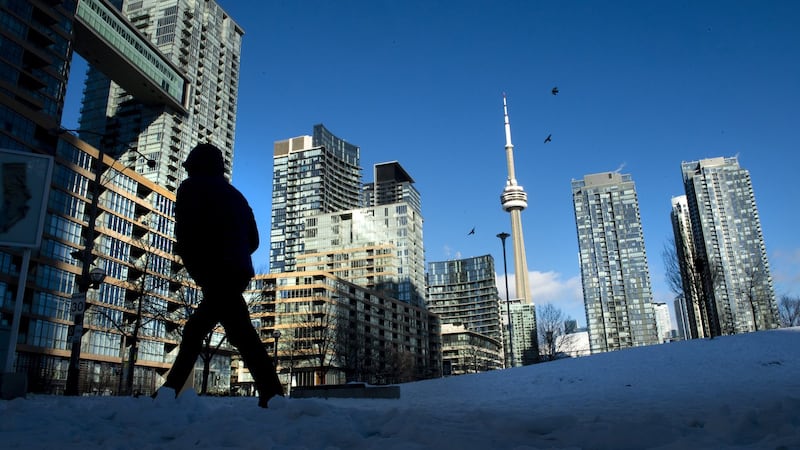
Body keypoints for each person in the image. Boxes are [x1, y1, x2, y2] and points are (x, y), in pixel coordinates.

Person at [158, 143, 282, 407]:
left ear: (197, 166)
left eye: (190, 165)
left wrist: (201, 261)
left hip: (215, 272)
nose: (187, 169)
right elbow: (254, 240)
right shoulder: (237, 196)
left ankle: (169, 392)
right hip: (236, 272)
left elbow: (186, 233)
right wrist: (234, 252)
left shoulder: (190, 188)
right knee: (236, 334)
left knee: (206, 332)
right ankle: (272, 394)